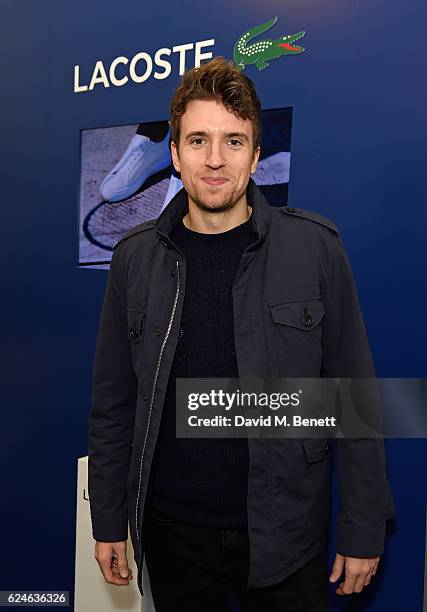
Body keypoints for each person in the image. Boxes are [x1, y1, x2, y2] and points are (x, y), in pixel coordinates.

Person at [88, 56, 394, 611]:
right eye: (198, 140)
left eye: (233, 141)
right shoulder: (135, 258)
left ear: (255, 155)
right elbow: (113, 403)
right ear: (174, 155)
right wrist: (108, 517)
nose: (214, 160)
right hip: (173, 537)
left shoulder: (316, 248)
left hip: (287, 539)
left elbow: (356, 399)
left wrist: (363, 525)